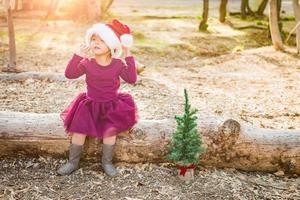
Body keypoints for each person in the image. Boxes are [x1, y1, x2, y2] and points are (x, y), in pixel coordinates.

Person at [57, 19, 138, 177]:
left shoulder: (117, 64)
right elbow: (70, 74)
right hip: (89, 104)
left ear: (112, 46)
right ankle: (73, 162)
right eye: (94, 39)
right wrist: (77, 56)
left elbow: (132, 78)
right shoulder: (87, 63)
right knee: (79, 132)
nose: (96, 42)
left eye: (102, 40)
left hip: (111, 105)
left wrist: (128, 52)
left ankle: (106, 162)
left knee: (110, 133)